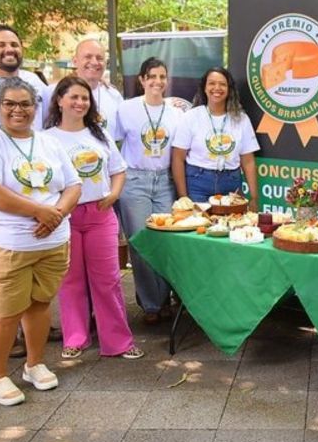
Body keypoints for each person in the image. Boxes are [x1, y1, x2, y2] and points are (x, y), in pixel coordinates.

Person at [0, 77, 81, 406]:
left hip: (52, 244)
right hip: (4, 245)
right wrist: (41, 212)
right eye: (10, 104)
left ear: (36, 106)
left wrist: (55, 213)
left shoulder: (48, 143)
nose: (18, 110)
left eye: (25, 104)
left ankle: (33, 364)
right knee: (3, 314)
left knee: (40, 305)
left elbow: (73, 185)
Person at [44, 76, 142, 360]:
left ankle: (118, 342)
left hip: (100, 213)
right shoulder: (47, 138)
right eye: (73, 97)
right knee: (70, 280)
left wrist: (113, 194)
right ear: (59, 100)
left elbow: (118, 168)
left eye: (85, 98)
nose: (80, 103)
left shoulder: (98, 133)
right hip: (66, 217)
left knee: (108, 279)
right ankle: (75, 338)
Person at [115, 57, 182, 324]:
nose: (157, 81)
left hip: (164, 181)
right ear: (142, 80)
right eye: (151, 76)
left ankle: (165, 298)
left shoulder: (177, 112)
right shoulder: (126, 109)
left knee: (165, 241)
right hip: (135, 180)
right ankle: (151, 304)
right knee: (141, 243)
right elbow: (113, 144)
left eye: (162, 77)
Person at [172, 67, 260, 208]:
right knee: (198, 226)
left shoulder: (241, 119)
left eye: (222, 84)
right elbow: (178, 158)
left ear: (229, 89)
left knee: (230, 226)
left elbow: (248, 161)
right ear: (204, 88)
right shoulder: (191, 117)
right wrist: (183, 197)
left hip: (231, 184)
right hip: (197, 183)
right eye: (212, 83)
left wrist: (254, 198)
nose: (217, 88)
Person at [44, 39, 123, 140]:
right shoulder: (52, 92)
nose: (94, 62)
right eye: (88, 57)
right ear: (75, 61)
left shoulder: (113, 95)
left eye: (99, 58)